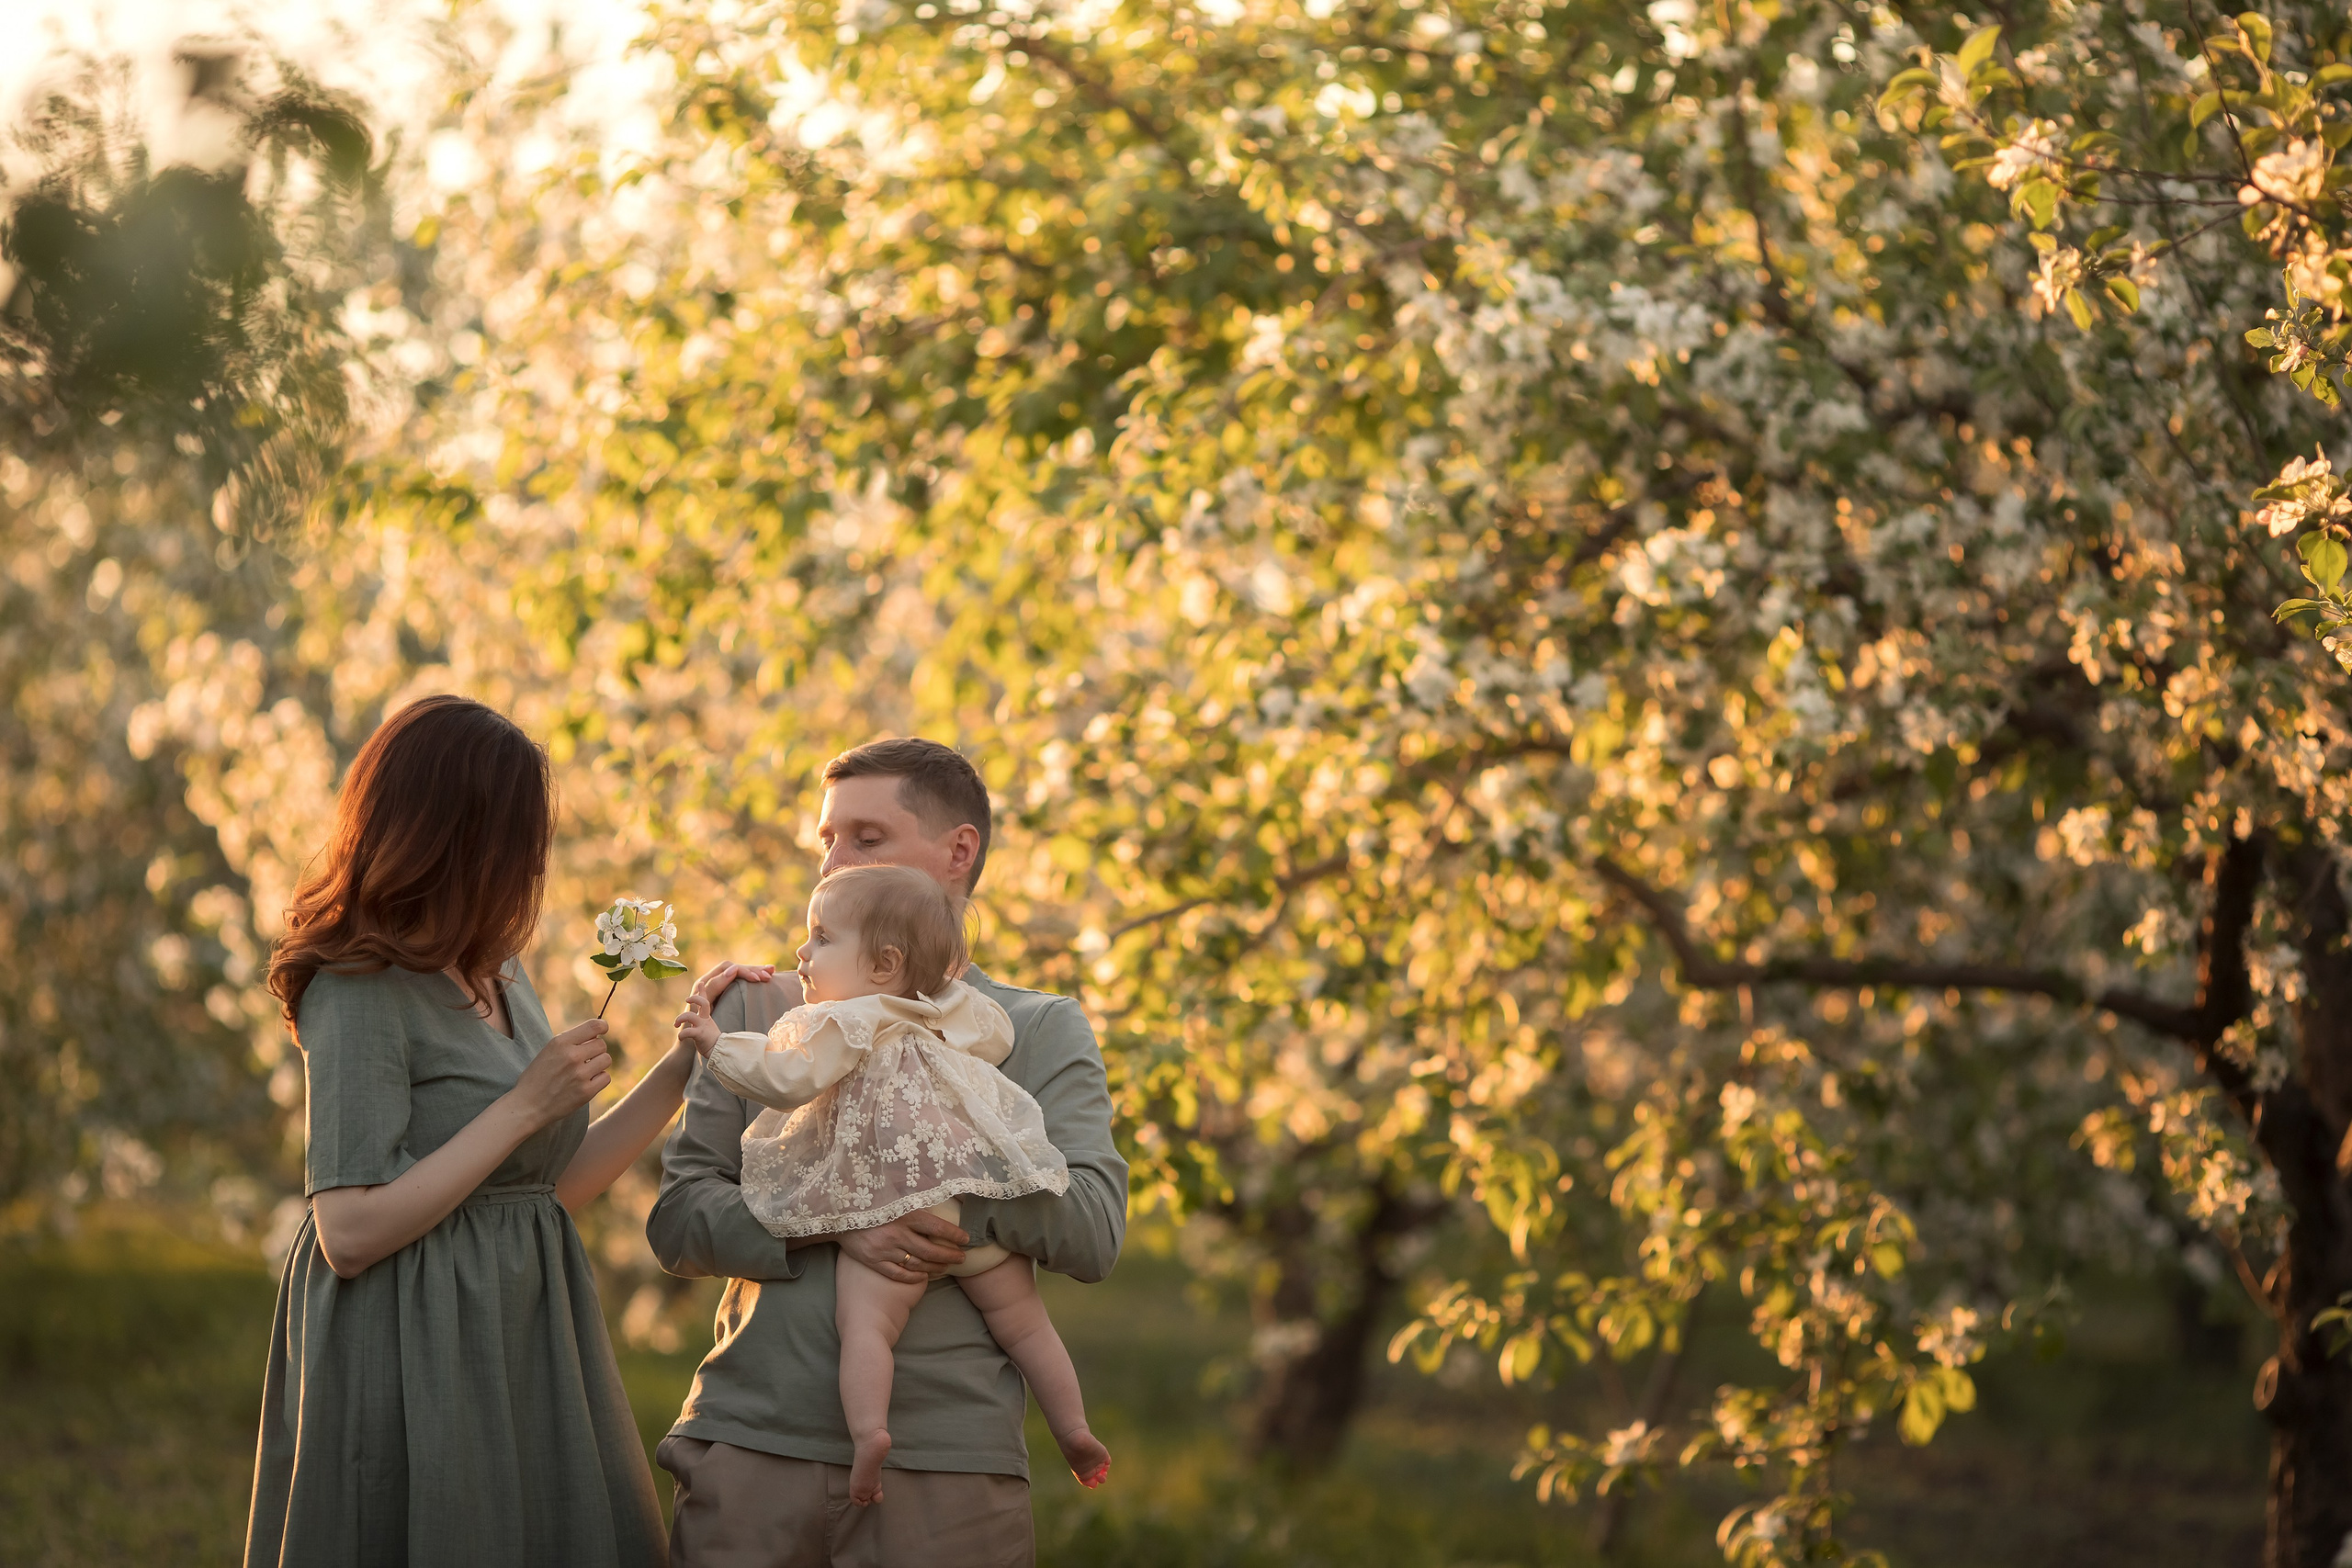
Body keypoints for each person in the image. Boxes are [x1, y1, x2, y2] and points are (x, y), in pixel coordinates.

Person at [649, 738, 1126, 1568]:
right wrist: (835, 1219)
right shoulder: (763, 1009)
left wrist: (931, 1190)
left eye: (865, 838)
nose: (833, 862)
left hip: (948, 1472)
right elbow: (681, 1218)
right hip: (753, 1445)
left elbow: (1092, 1229)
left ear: (958, 852)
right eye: (825, 840)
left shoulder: (1037, 1026)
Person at [245, 694, 689, 1568]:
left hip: (519, 1324)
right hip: (410, 1343)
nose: (530, 861)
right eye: (515, 835)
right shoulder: (359, 986)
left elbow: (542, 1191)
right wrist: (526, 1102)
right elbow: (349, 1229)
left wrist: (680, 1068)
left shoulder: (497, 970)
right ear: (452, 833)